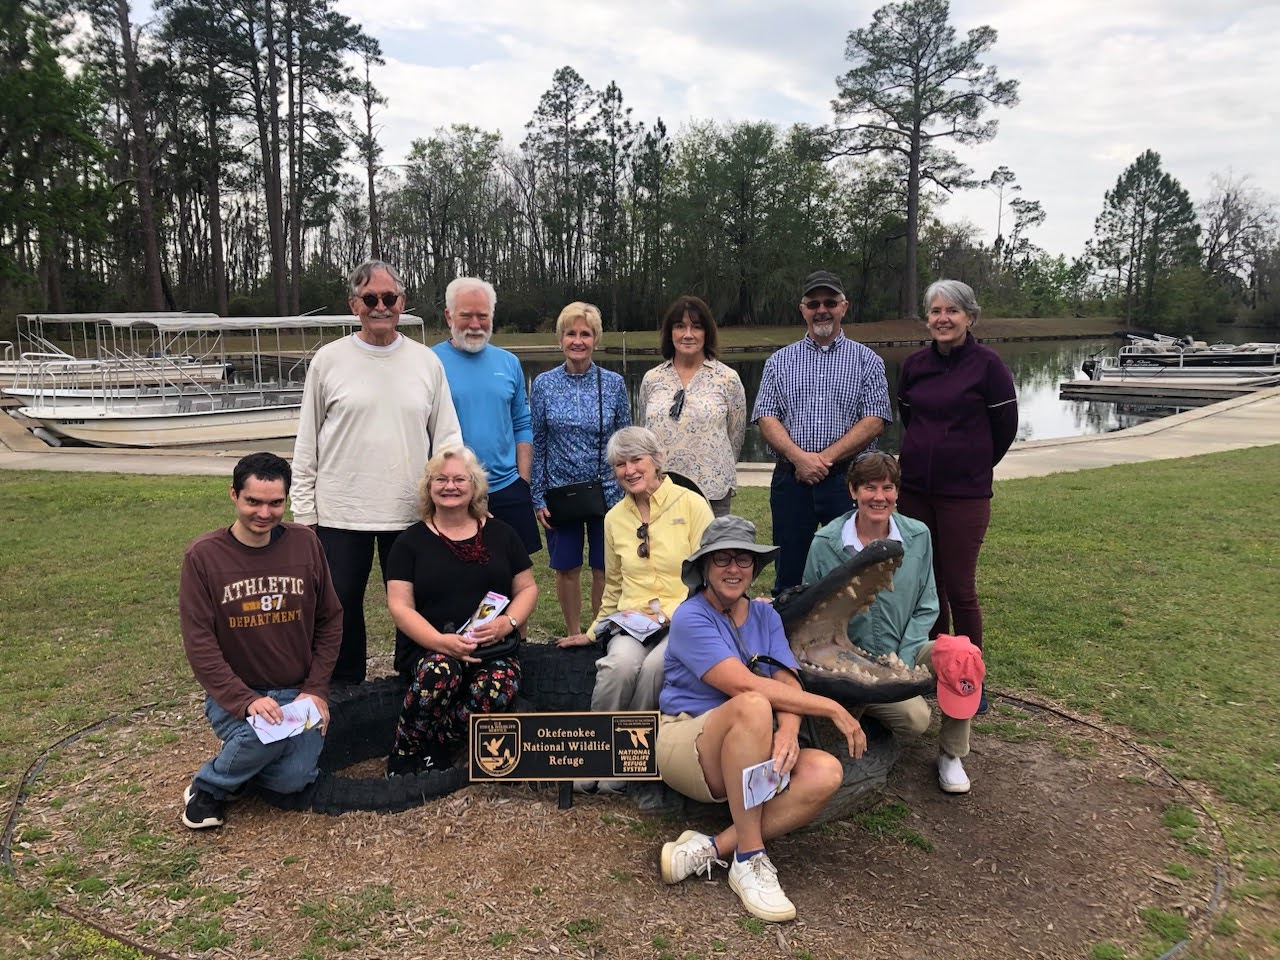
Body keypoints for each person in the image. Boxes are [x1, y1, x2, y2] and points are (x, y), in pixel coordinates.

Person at [656, 516, 867, 923]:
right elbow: (741, 684)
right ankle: (749, 860)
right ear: (704, 566)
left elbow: (785, 676)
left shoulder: (766, 616)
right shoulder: (690, 617)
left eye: (745, 560)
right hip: (688, 742)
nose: (734, 569)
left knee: (825, 771)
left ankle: (714, 848)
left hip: (751, 744)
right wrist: (831, 708)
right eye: (723, 559)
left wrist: (788, 731)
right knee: (753, 702)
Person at [292, 259, 462, 685]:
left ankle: (414, 687)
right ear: (354, 305)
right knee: (339, 607)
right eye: (370, 298)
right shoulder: (328, 361)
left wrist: (457, 499)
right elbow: (306, 440)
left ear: (402, 302)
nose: (381, 306)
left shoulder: (426, 363)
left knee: (417, 604)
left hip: (411, 511)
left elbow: (447, 439)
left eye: (389, 298)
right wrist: (303, 510)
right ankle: (345, 693)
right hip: (339, 512)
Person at [179, 452, 343, 830]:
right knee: (261, 736)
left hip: (298, 693)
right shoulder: (203, 556)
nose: (264, 513)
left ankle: (242, 766)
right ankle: (209, 788)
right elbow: (200, 644)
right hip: (238, 693)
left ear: (286, 500)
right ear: (234, 495)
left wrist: (317, 689)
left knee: (293, 779)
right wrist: (245, 700)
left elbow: (330, 619)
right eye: (253, 501)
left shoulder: (305, 544)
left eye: (275, 503)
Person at [803, 453, 984, 793]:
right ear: (853, 491)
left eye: (888, 488)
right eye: (869, 487)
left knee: (964, 654)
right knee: (916, 720)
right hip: (851, 660)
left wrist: (902, 656)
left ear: (897, 492)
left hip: (907, 649)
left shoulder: (919, 535)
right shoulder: (825, 543)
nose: (879, 497)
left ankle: (951, 754)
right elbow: (814, 615)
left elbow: (928, 603)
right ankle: (861, 707)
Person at [557, 426, 713, 790]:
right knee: (619, 666)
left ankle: (627, 761)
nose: (629, 470)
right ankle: (595, 753)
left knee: (656, 667)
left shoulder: (691, 505)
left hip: (683, 616)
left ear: (656, 461)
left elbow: (708, 574)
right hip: (632, 618)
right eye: (620, 464)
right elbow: (613, 586)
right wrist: (593, 631)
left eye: (636, 460)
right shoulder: (614, 518)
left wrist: (679, 613)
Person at [897, 279, 1017, 712]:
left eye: (952, 311)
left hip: (964, 495)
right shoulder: (914, 365)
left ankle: (968, 679)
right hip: (915, 492)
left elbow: (1004, 431)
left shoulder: (989, 366)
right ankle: (936, 668)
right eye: (935, 311)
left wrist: (970, 465)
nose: (942, 319)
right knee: (929, 585)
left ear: (970, 316)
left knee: (961, 587)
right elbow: (908, 417)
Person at [384, 446, 538, 775]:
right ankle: (405, 748)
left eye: (459, 479)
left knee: (496, 688)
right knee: (441, 673)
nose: (450, 486)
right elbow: (399, 606)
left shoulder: (502, 534)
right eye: (441, 479)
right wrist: (443, 643)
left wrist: (508, 623)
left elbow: (527, 588)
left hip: (493, 646)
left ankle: (440, 741)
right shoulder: (409, 542)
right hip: (431, 648)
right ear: (429, 487)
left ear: (474, 486)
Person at [752, 270, 892, 594]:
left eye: (830, 302)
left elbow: (875, 418)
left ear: (845, 307)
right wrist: (799, 458)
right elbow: (766, 417)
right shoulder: (779, 361)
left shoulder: (867, 361)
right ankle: (787, 642)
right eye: (813, 303)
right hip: (791, 482)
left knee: (848, 571)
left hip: (846, 481)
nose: (822, 310)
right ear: (803, 309)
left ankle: (843, 641)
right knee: (789, 574)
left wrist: (824, 459)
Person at [530, 302, 631, 639]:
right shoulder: (543, 384)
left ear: (595, 340)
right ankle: (573, 632)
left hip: (608, 493)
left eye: (585, 334)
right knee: (567, 567)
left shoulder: (614, 384)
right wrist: (537, 495)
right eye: (570, 333)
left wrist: (628, 489)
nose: (577, 340)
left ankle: (597, 632)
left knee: (605, 568)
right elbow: (538, 441)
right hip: (560, 491)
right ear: (560, 339)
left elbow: (625, 441)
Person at [433, 276, 542, 556]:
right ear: (448, 316)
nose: (474, 324)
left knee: (513, 573)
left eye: (482, 316)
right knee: (459, 571)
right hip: (452, 489)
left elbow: (521, 424)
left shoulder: (509, 363)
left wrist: (523, 481)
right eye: (466, 315)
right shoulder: (429, 363)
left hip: (506, 487)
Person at [638, 295, 746, 517]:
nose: (688, 334)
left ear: (707, 333)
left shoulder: (727, 378)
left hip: (712, 490)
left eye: (696, 327)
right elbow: (643, 432)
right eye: (680, 326)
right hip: (661, 489)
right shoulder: (652, 379)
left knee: (711, 551)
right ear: (670, 332)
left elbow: (735, 435)